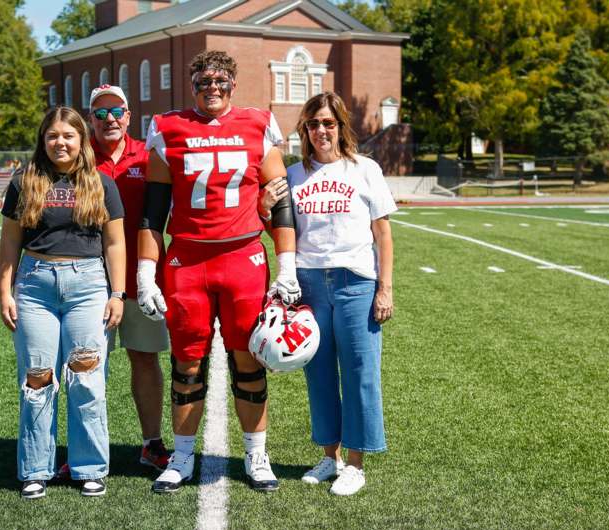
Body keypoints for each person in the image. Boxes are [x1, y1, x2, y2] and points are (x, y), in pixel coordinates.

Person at [138, 50, 300, 494]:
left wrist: (286, 266)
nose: (213, 87)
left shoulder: (258, 123)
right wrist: (145, 275)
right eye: (204, 81)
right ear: (193, 86)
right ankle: (184, 456)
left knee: (248, 361)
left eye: (221, 80)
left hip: (242, 257)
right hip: (187, 261)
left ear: (233, 83)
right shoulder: (168, 127)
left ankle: (256, 454)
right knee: (186, 364)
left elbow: (280, 199)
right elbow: (153, 213)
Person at [0, 106, 126, 500]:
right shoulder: (24, 182)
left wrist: (117, 293)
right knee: (38, 379)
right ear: (43, 140)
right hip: (35, 285)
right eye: (52, 135)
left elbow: (115, 242)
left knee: (86, 378)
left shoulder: (101, 184)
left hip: (87, 285)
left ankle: (89, 468)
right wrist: (5, 290)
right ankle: (37, 468)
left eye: (68, 136)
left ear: (81, 141)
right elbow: (9, 244)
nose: (60, 142)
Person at [282, 91, 395, 496]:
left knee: (360, 373)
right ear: (305, 130)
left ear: (340, 126)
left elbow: (383, 233)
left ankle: (357, 463)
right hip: (309, 283)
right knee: (319, 374)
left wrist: (385, 288)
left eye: (328, 123)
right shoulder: (295, 174)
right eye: (313, 124)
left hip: (356, 282)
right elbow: (287, 232)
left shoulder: (364, 169)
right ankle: (331, 457)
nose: (321, 131)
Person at [88, 84, 172, 471]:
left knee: (145, 358)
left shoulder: (149, 154)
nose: (109, 120)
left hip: (143, 276)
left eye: (116, 112)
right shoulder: (77, 155)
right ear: (91, 119)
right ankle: (85, 449)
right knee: (86, 364)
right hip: (89, 279)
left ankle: (151, 443)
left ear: (129, 115)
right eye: (100, 113)